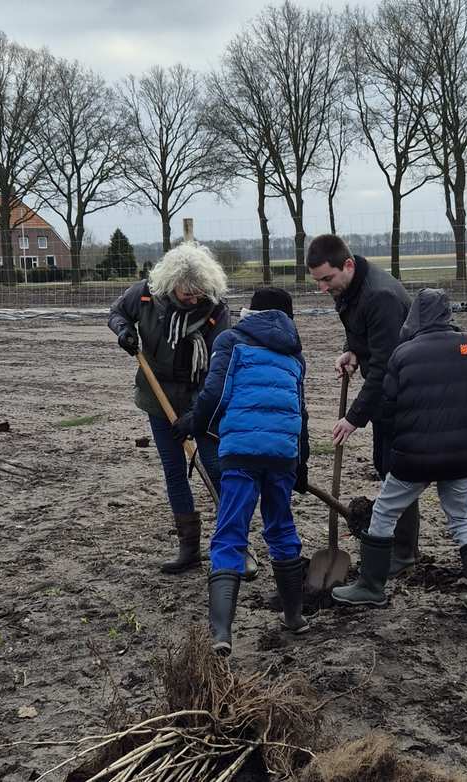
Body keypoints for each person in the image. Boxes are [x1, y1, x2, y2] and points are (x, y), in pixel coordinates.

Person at [332, 289, 467, 621]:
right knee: (464, 521)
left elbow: (389, 405)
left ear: (414, 318)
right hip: (461, 458)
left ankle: (371, 588)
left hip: (413, 459)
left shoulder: (404, 354)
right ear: (447, 314)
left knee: (384, 515)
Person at [173, 287, 311, 655]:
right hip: (282, 454)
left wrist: (193, 423)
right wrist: (301, 463)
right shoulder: (294, 354)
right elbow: (301, 413)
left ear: (253, 311)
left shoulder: (231, 340)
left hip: (241, 453)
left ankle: (221, 633)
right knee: (281, 527)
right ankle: (294, 617)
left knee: (231, 531)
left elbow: (216, 393)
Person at [108, 242, 249, 576]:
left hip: (204, 398)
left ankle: (236, 543)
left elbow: (220, 368)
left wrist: (196, 414)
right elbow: (116, 313)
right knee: (174, 470)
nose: (193, 299)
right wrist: (124, 332)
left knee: (216, 467)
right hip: (157, 397)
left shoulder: (215, 309)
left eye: (199, 292)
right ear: (170, 284)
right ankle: (189, 548)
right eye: (187, 293)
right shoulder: (144, 295)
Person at [306, 235, 418, 575]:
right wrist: (353, 350)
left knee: (399, 471)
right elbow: (363, 332)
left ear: (349, 265)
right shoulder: (350, 289)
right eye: (318, 281)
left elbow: (385, 366)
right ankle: (399, 547)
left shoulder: (380, 296)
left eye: (327, 279)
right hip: (387, 392)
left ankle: (403, 553)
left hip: (405, 393)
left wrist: (353, 418)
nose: (323, 288)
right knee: (385, 467)